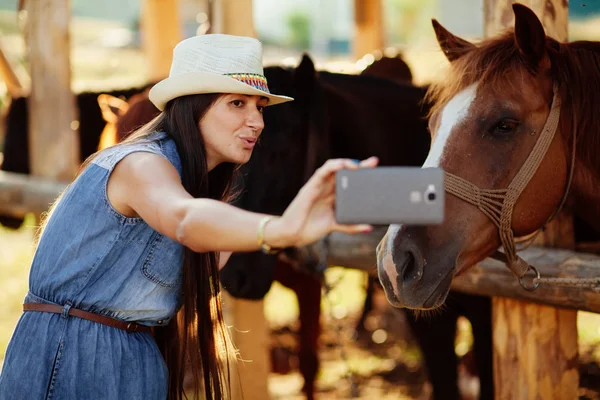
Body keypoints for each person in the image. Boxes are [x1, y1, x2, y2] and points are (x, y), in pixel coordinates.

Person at [0, 34, 377, 400]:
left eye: (259, 107)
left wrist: (299, 216)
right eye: (237, 104)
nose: (257, 123)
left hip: (136, 359)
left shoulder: (199, 188)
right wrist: (281, 228)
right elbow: (183, 220)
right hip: (73, 357)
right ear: (192, 104)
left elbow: (203, 250)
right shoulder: (141, 163)